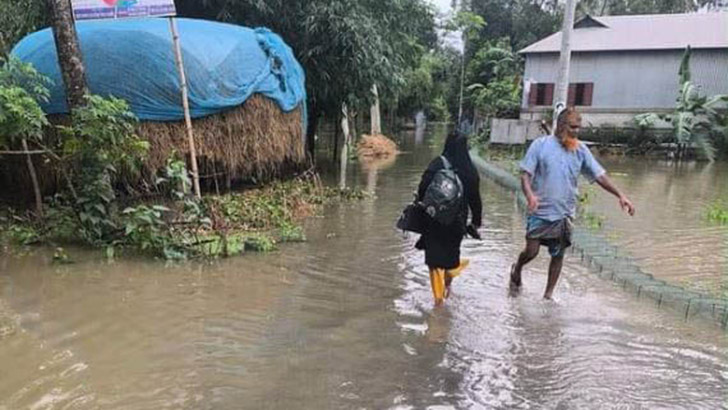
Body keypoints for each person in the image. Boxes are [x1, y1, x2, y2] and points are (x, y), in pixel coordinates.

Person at [510, 107, 636, 299]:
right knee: (532, 251)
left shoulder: (580, 150)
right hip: (540, 211)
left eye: (578, 128)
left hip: (564, 213)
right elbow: (525, 175)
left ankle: (548, 295)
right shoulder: (540, 145)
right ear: (561, 126)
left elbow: (600, 176)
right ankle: (518, 267)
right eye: (572, 127)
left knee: (558, 254)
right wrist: (530, 196)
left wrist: (620, 195)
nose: (576, 131)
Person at [416, 131, 482, 306]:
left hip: (435, 221)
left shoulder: (437, 164)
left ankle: (438, 302)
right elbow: (476, 200)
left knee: (434, 261)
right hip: (457, 224)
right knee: (450, 258)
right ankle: (447, 287)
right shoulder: (470, 169)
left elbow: (422, 189)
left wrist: (420, 209)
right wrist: (476, 222)